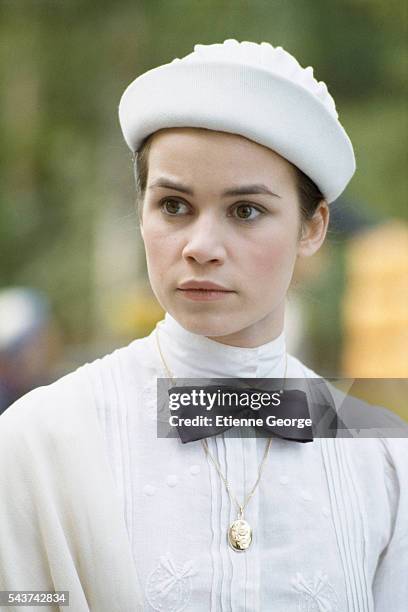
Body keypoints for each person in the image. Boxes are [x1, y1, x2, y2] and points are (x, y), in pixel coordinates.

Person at [0, 40, 406, 612]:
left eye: (246, 211)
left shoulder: (380, 459)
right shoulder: (41, 441)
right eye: (173, 205)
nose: (201, 247)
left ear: (312, 227)